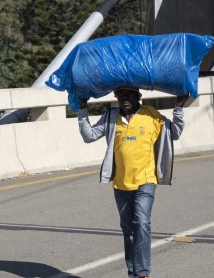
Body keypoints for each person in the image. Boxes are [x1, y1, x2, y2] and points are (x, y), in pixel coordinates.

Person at [78, 87, 187, 278]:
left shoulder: (150, 115)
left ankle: (143, 272)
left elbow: (175, 133)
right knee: (128, 230)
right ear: (116, 97)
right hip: (120, 184)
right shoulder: (111, 117)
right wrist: (82, 110)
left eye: (129, 94)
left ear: (138, 96)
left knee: (142, 223)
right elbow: (89, 136)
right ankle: (133, 273)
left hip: (146, 180)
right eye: (120, 94)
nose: (124, 98)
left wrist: (178, 107)